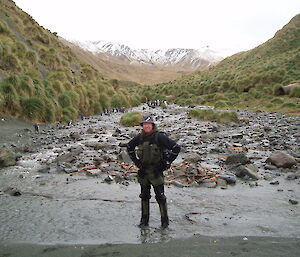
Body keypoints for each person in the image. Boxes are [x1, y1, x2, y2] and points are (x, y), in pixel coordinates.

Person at [127, 115, 181, 228]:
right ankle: (144, 221)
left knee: (160, 197)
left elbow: (176, 148)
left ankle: (164, 223)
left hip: (156, 172)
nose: (147, 126)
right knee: (144, 196)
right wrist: (136, 162)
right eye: (145, 124)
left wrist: (166, 163)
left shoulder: (160, 137)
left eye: (149, 124)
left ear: (152, 125)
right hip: (143, 172)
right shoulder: (139, 137)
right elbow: (129, 147)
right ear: (142, 125)